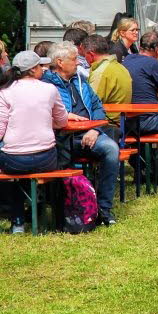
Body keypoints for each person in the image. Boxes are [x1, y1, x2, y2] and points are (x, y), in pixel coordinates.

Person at [42, 42, 121, 226]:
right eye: (74, 58)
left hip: (89, 135)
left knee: (111, 149)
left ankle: (103, 209)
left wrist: (95, 129)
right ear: (60, 62)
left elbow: (97, 106)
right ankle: (67, 212)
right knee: (62, 159)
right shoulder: (46, 85)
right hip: (61, 139)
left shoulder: (81, 81)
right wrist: (66, 117)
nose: (79, 62)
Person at [0, 51, 67, 233]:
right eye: (40, 66)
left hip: (14, 160)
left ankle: (18, 222)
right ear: (33, 70)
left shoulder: (5, 92)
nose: (44, 70)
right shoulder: (50, 89)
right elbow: (62, 122)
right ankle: (49, 216)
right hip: (45, 158)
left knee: (15, 177)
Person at [82, 34, 132, 122]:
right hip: (122, 122)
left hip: (107, 125)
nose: (84, 59)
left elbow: (89, 105)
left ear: (91, 54)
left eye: (84, 55)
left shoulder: (100, 73)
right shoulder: (120, 67)